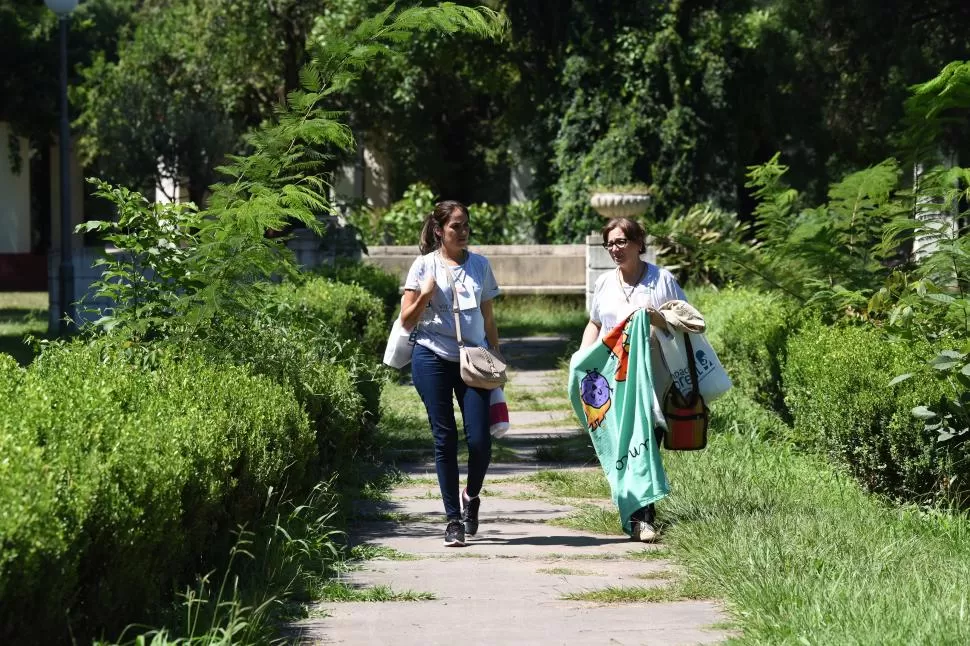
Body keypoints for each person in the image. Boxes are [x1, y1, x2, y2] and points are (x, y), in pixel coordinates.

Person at [399, 200, 503, 547]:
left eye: (465, 225)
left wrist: (497, 358)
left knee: (480, 440)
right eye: (455, 226)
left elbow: (488, 318)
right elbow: (406, 320)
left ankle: (471, 496)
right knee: (444, 437)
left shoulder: (480, 266)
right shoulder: (423, 266)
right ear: (439, 230)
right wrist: (425, 295)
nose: (462, 231)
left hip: (474, 359)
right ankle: (453, 520)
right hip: (431, 356)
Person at [579, 217, 687, 542]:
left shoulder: (661, 280)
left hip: (654, 381)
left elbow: (687, 320)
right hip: (613, 383)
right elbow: (595, 323)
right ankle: (634, 510)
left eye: (621, 242)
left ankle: (643, 519)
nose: (615, 249)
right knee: (621, 447)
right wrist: (580, 359)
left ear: (639, 243)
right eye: (610, 243)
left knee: (645, 445)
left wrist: (657, 318)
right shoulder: (604, 283)